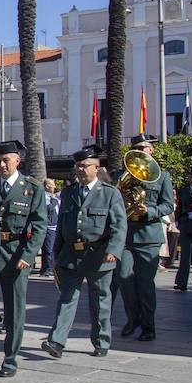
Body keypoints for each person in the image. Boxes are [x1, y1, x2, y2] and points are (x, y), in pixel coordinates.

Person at [43, 146, 126, 359]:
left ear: (96, 168)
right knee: (67, 298)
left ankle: (101, 341)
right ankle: (56, 341)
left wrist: (113, 250)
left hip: (98, 254)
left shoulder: (109, 193)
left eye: (85, 166)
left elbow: (119, 225)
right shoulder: (70, 192)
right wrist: (56, 255)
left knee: (100, 300)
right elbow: (62, 226)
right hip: (71, 255)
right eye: (77, 166)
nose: (80, 170)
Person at [0, 140, 46, 377]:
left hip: (15, 254)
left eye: (5, 160)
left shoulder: (31, 188)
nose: (1, 165)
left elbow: (39, 225)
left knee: (14, 311)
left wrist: (28, 255)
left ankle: (10, 358)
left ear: (17, 161)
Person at [115, 135, 174, 343]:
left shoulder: (162, 176)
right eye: (136, 147)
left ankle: (149, 325)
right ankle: (133, 318)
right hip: (126, 235)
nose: (140, 150)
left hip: (149, 236)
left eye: (144, 147)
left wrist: (149, 210)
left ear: (152, 151)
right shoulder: (121, 175)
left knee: (145, 283)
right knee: (124, 277)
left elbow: (168, 205)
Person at [40, 178, 60, 275]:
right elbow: (48, 209)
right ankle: (47, 269)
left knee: (54, 248)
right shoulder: (44, 197)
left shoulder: (55, 198)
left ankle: (52, 267)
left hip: (57, 227)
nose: (54, 186)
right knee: (48, 249)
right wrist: (54, 201)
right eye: (52, 185)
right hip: (49, 227)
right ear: (47, 186)